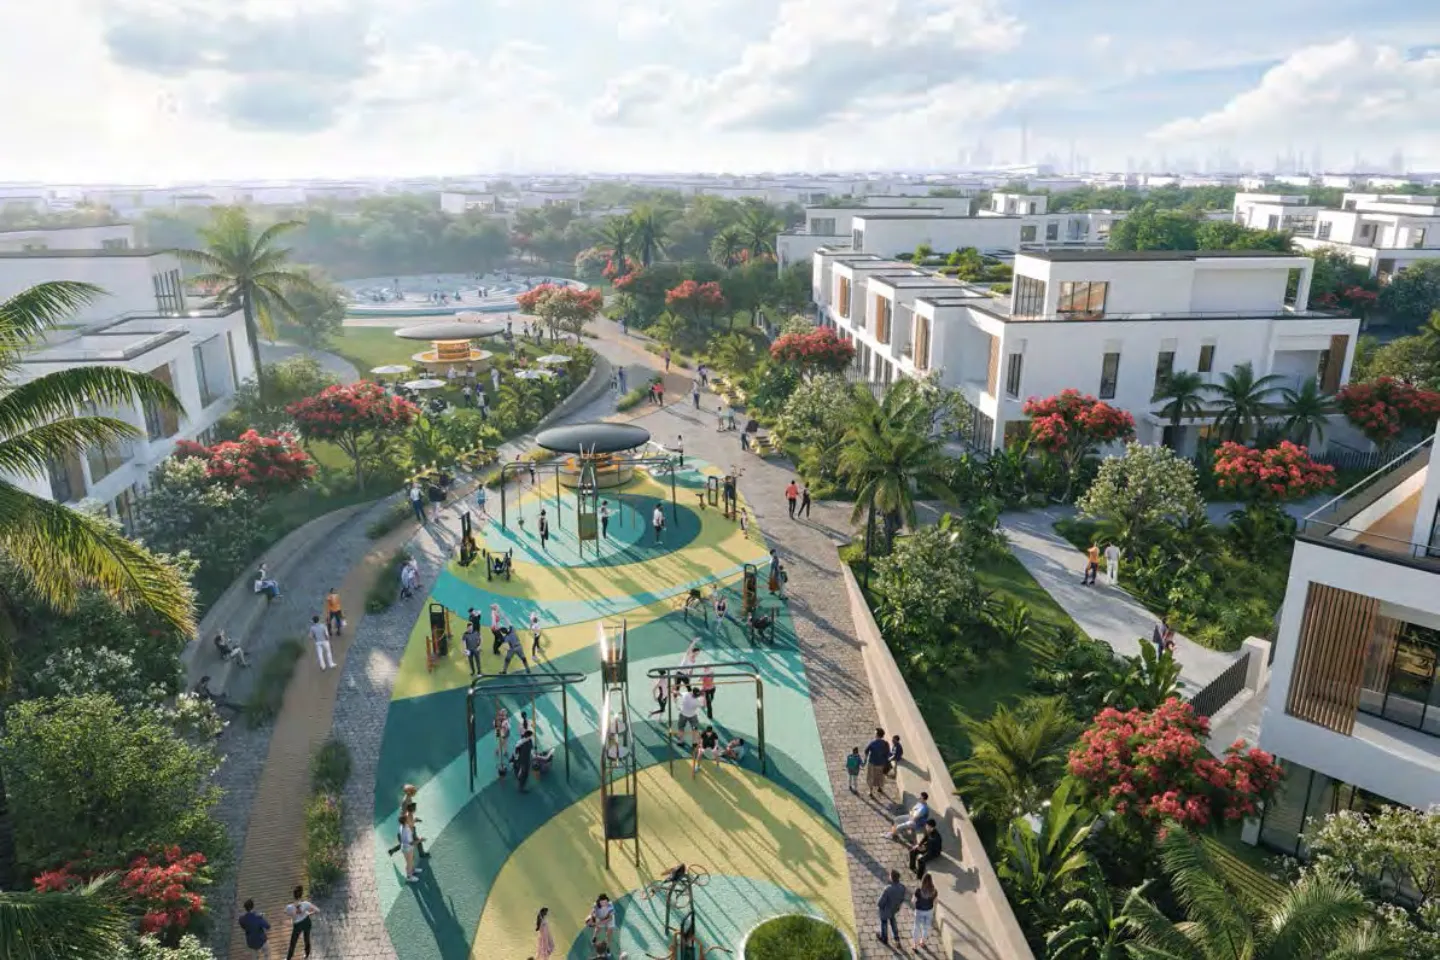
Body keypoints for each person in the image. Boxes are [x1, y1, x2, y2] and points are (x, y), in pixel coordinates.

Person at [283, 887, 319, 960]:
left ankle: (288, 958)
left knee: (293, 943)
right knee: (307, 939)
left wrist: (292, 916)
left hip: (297, 925)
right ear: (301, 895)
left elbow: (285, 912)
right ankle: (306, 954)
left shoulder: (289, 907)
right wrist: (309, 913)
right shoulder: (306, 904)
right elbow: (318, 910)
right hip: (306, 922)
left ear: (293, 896)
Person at [877, 869, 906, 946]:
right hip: (894, 909)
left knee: (884, 922)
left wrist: (880, 906)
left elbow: (880, 902)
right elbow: (902, 899)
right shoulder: (902, 887)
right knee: (893, 921)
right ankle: (896, 938)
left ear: (892, 878)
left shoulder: (888, 889)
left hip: (886, 910)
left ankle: (884, 938)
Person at [912, 873, 938, 950]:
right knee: (926, 927)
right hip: (929, 911)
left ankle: (915, 944)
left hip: (919, 911)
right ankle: (922, 942)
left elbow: (913, 901)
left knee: (916, 927)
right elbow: (935, 902)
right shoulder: (934, 891)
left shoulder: (918, 890)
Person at [864, 727, 890, 798]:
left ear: (877, 734)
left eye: (875, 733)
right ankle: (880, 788)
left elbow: (866, 751)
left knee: (870, 777)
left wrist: (865, 760)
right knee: (880, 776)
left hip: (872, 763)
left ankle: (870, 791)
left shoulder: (873, 743)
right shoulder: (886, 743)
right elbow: (887, 753)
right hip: (881, 764)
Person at [675, 684, 701, 750]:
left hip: (683, 714)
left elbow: (678, 693)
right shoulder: (697, 701)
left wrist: (673, 691)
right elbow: (703, 705)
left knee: (681, 728)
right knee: (695, 729)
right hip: (692, 716)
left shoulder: (686, 694)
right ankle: (694, 743)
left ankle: (680, 741)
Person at [494, 707, 511, 776]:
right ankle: (499, 750)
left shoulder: (505, 720)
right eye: (503, 714)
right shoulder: (501, 720)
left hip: (503, 732)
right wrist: (501, 727)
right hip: (501, 732)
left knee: (504, 741)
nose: (503, 715)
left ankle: (504, 751)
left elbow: (508, 727)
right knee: (502, 742)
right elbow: (495, 725)